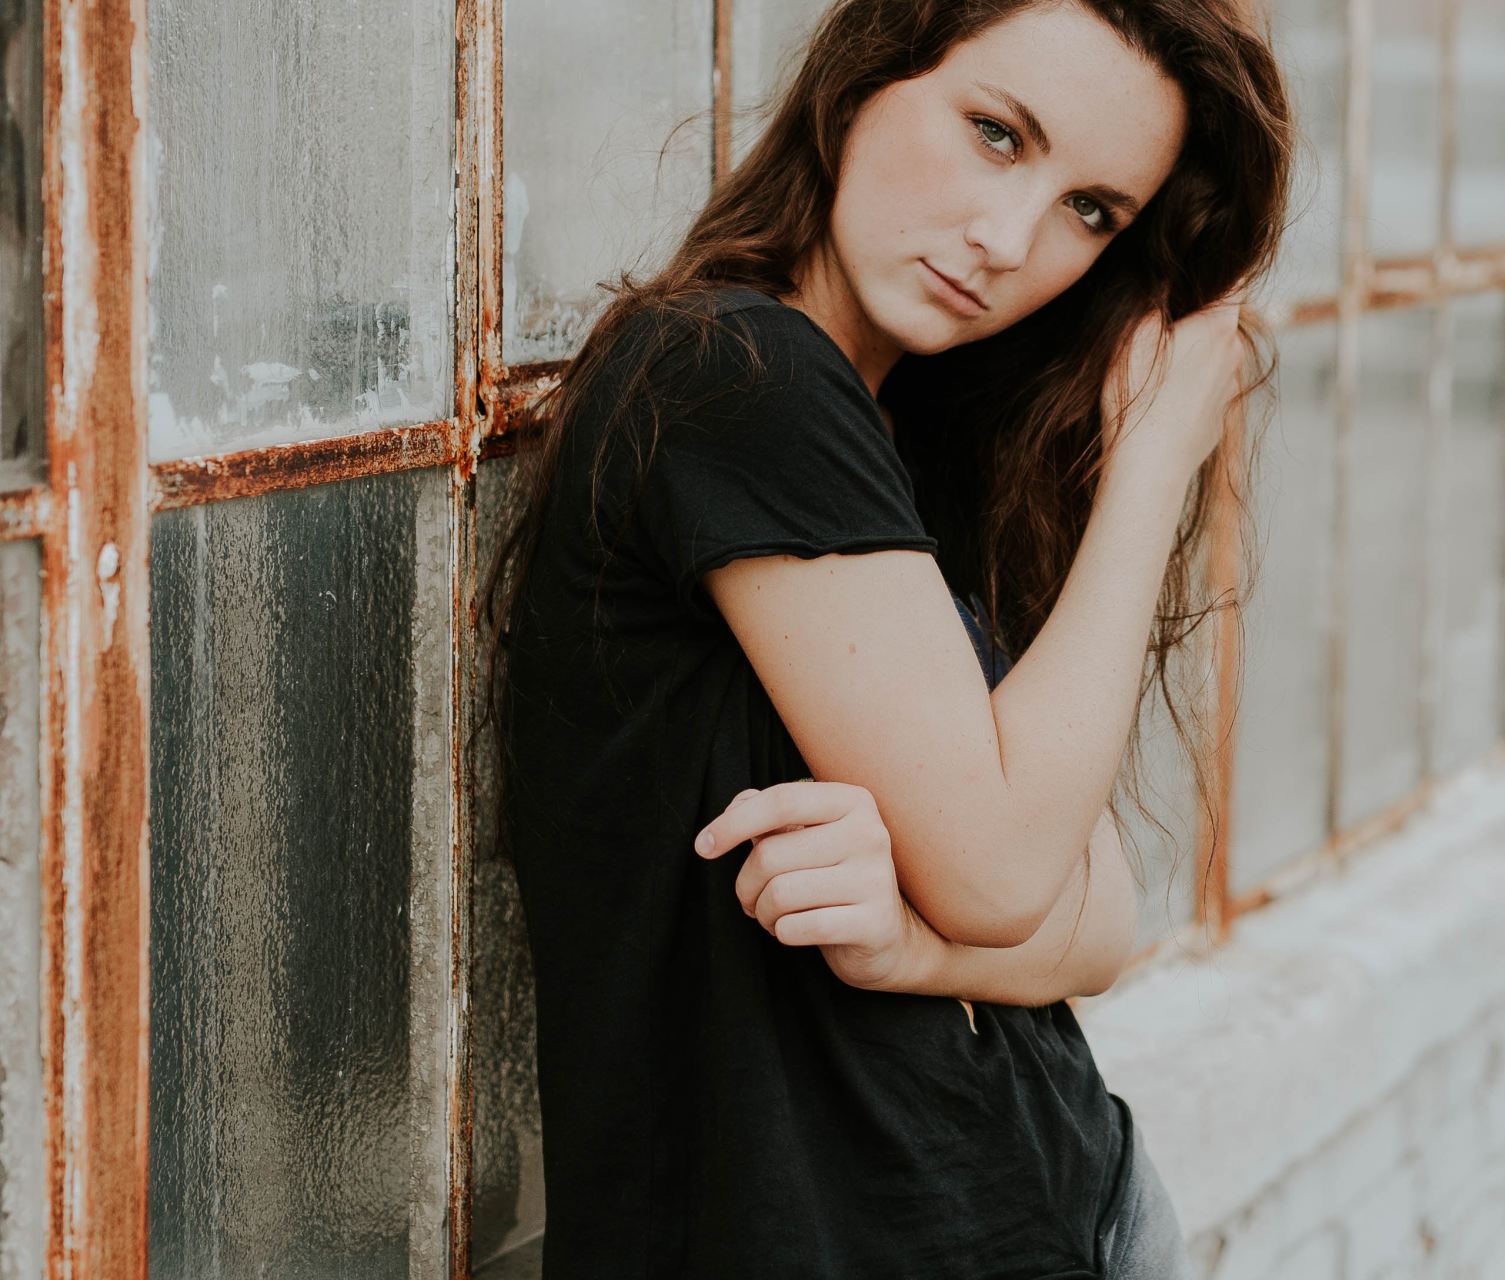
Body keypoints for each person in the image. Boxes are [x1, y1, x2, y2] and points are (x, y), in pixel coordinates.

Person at [480, 0, 1293, 1274]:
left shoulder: (914, 437)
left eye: (1092, 211)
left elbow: (1105, 920)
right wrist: (1154, 465)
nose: (1009, 238)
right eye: (996, 134)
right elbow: (1009, 875)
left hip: (1062, 1212)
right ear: (867, 74)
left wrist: (913, 939)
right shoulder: (733, 375)